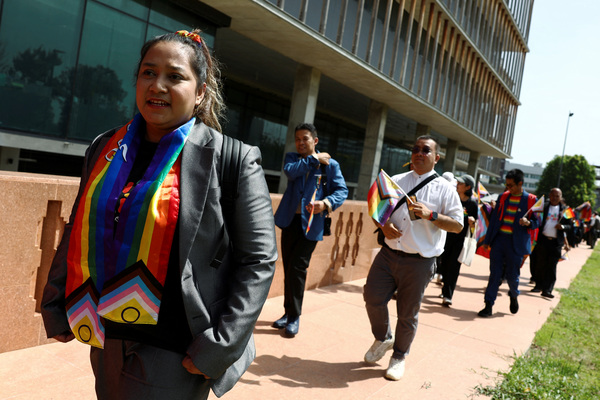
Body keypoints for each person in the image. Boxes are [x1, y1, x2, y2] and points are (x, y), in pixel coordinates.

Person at [41, 29, 278, 400]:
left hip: (178, 350)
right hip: (106, 337)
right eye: (148, 73)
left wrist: (221, 346)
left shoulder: (232, 158)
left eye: (175, 76)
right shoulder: (106, 147)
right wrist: (56, 303)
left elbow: (259, 259)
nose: (158, 86)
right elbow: (79, 227)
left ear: (200, 92)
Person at [362, 136, 463, 380]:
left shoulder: (446, 189)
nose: (419, 153)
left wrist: (431, 215)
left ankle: (399, 356)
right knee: (372, 297)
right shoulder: (395, 181)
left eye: (426, 150)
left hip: (419, 261)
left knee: (407, 313)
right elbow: (376, 208)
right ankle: (384, 338)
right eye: (415, 149)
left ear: (436, 158)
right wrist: (383, 226)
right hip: (388, 254)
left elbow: (458, 225)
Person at [273, 123, 348, 337]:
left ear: (314, 141)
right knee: (289, 267)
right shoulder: (292, 159)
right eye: (297, 139)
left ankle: (294, 317)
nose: (300, 143)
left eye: (305, 138)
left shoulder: (330, 166)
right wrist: (314, 159)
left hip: (311, 225)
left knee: (298, 268)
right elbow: (290, 172)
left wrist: (325, 204)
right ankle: (287, 313)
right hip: (290, 221)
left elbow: (342, 191)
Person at [477, 169, 539, 318]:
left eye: (511, 185)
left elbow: (538, 221)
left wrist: (528, 222)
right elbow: (494, 221)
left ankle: (514, 295)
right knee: (494, 275)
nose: (508, 188)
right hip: (499, 241)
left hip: (516, 244)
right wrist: (488, 240)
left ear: (520, 183)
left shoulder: (531, 200)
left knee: (512, 276)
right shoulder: (503, 197)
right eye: (507, 185)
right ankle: (488, 305)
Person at [439, 174, 478, 306]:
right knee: (443, 265)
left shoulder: (472, 204)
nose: (458, 184)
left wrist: (472, 222)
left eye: (461, 183)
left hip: (460, 241)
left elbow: (474, 227)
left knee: (454, 267)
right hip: (446, 237)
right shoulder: (453, 198)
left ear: (468, 187)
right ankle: (445, 287)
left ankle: (448, 295)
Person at [530, 188, 571, 298]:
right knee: (540, 265)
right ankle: (538, 286)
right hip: (543, 240)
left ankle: (547, 290)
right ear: (549, 195)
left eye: (557, 196)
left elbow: (570, 225)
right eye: (553, 195)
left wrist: (562, 226)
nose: (555, 198)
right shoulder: (544, 206)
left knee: (551, 267)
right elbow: (536, 218)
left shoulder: (565, 210)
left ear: (560, 197)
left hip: (556, 243)